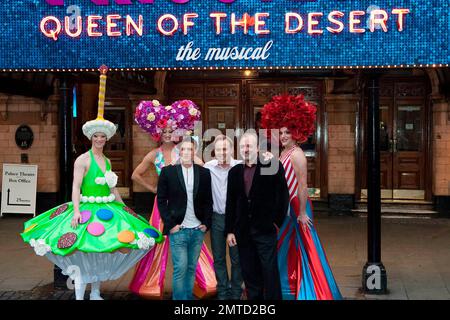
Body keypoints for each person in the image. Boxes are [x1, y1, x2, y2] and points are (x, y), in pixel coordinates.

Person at [20, 66, 162, 300]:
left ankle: (95, 291)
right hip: (86, 209)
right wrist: (76, 211)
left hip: (106, 208)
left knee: (99, 251)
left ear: (106, 139)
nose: (99, 139)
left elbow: (112, 187)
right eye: (96, 136)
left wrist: (123, 206)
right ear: (91, 138)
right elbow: (76, 186)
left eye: (102, 136)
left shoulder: (106, 160)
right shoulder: (82, 160)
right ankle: (79, 294)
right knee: (83, 251)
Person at [129, 100, 216, 299]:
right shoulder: (154, 154)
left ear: (176, 132)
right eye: (164, 132)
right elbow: (135, 175)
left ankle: (202, 282)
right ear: (158, 133)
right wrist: (154, 189)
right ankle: (150, 283)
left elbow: (202, 167)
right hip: (162, 206)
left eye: (170, 131)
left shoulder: (183, 150)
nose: (167, 135)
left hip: (187, 208)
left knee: (189, 247)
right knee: (158, 242)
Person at [261, 93, 342, 300]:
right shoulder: (284, 152)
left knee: (306, 247)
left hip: (297, 205)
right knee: (289, 245)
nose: (284, 135)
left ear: (297, 131)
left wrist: (303, 212)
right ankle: (288, 285)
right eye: (280, 132)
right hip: (289, 205)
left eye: (288, 132)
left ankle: (313, 291)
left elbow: (303, 185)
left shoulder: (297, 154)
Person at [225, 132, 289, 300]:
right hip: (243, 232)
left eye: (249, 146)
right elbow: (230, 203)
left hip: (265, 230)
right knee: (250, 274)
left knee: (270, 272)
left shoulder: (272, 166)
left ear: (257, 148)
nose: (245, 149)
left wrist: (276, 223)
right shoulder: (234, 172)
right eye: (243, 146)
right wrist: (230, 230)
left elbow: (282, 197)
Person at [157, 137, 214, 300]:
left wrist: (206, 224)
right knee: (180, 268)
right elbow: (161, 200)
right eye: (183, 149)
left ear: (194, 152)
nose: (187, 153)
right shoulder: (168, 172)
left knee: (191, 267)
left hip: (197, 230)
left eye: (190, 149)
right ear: (179, 152)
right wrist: (171, 224)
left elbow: (208, 200)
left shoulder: (204, 173)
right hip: (178, 229)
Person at [204, 135, 243, 300]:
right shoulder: (208, 167)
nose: (222, 152)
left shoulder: (239, 167)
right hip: (216, 218)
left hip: (235, 219)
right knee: (219, 258)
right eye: (218, 149)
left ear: (232, 150)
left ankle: (235, 293)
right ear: (215, 152)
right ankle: (222, 293)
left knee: (237, 259)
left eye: (225, 149)